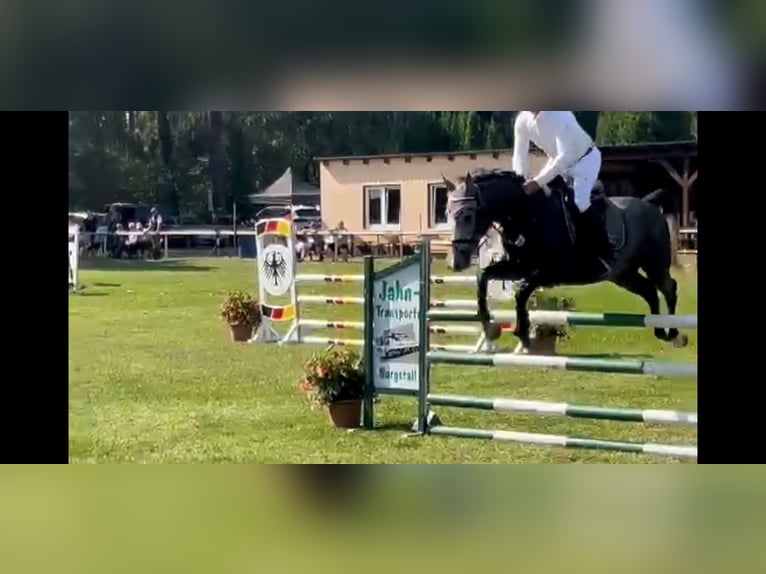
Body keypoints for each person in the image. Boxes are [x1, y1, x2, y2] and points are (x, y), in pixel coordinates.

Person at [511, 111, 612, 268]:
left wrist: (538, 182)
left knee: (580, 203)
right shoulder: (522, 121)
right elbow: (519, 156)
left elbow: (566, 155)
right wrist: (519, 180)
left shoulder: (560, 116)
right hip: (558, 162)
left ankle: (605, 251)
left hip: (584, 161)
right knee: (540, 199)